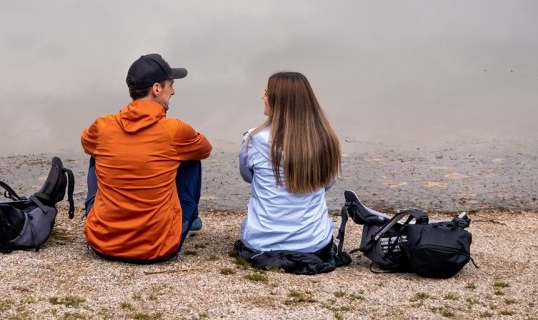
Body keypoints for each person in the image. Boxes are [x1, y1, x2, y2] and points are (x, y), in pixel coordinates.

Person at [81, 53, 212, 263]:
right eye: (171, 84)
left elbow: (86, 143)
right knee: (191, 158)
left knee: (96, 154)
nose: (174, 91)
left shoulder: (103, 126)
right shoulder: (174, 130)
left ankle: (108, 219)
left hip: (102, 243)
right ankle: (189, 218)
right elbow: (205, 149)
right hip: (158, 247)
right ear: (157, 88)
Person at [236, 71, 345, 273]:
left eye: (266, 93)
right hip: (314, 243)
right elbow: (327, 184)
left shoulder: (253, 139)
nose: (262, 96)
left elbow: (247, 177)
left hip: (260, 243)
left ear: (280, 101)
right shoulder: (327, 140)